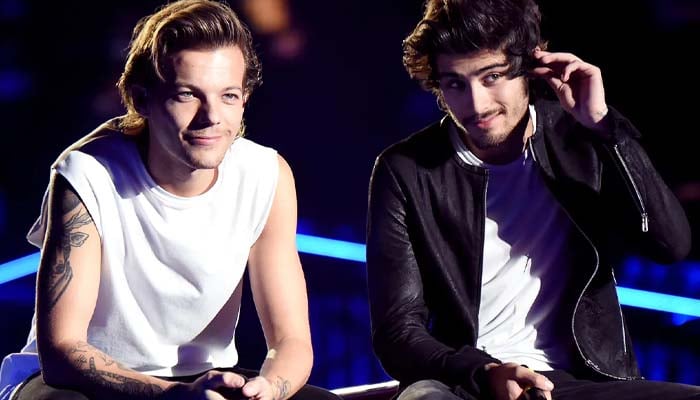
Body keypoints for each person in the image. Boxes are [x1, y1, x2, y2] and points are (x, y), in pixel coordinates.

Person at [0, 1, 339, 399]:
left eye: (228, 96)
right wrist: (171, 396)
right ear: (141, 99)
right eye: (187, 95)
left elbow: (292, 341)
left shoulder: (267, 174)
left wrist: (268, 390)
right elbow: (62, 352)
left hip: (199, 377)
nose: (211, 116)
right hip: (73, 381)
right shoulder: (87, 173)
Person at [366, 0, 700, 399]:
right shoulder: (406, 169)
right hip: (463, 381)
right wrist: (484, 371)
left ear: (529, 65)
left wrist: (604, 128)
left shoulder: (578, 137)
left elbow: (670, 245)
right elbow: (398, 331)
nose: (477, 104)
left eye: (492, 77)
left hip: (579, 380)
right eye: (455, 84)